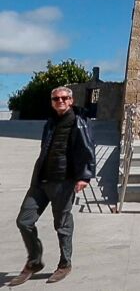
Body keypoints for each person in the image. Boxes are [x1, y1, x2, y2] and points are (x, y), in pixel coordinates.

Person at [11, 86, 95, 286]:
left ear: (71, 100)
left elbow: (88, 148)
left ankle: (65, 264)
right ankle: (34, 261)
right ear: (52, 102)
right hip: (41, 181)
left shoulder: (79, 122)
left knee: (62, 225)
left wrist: (85, 177)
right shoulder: (50, 123)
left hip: (64, 183)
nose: (60, 101)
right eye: (56, 98)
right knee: (24, 221)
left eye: (64, 98)